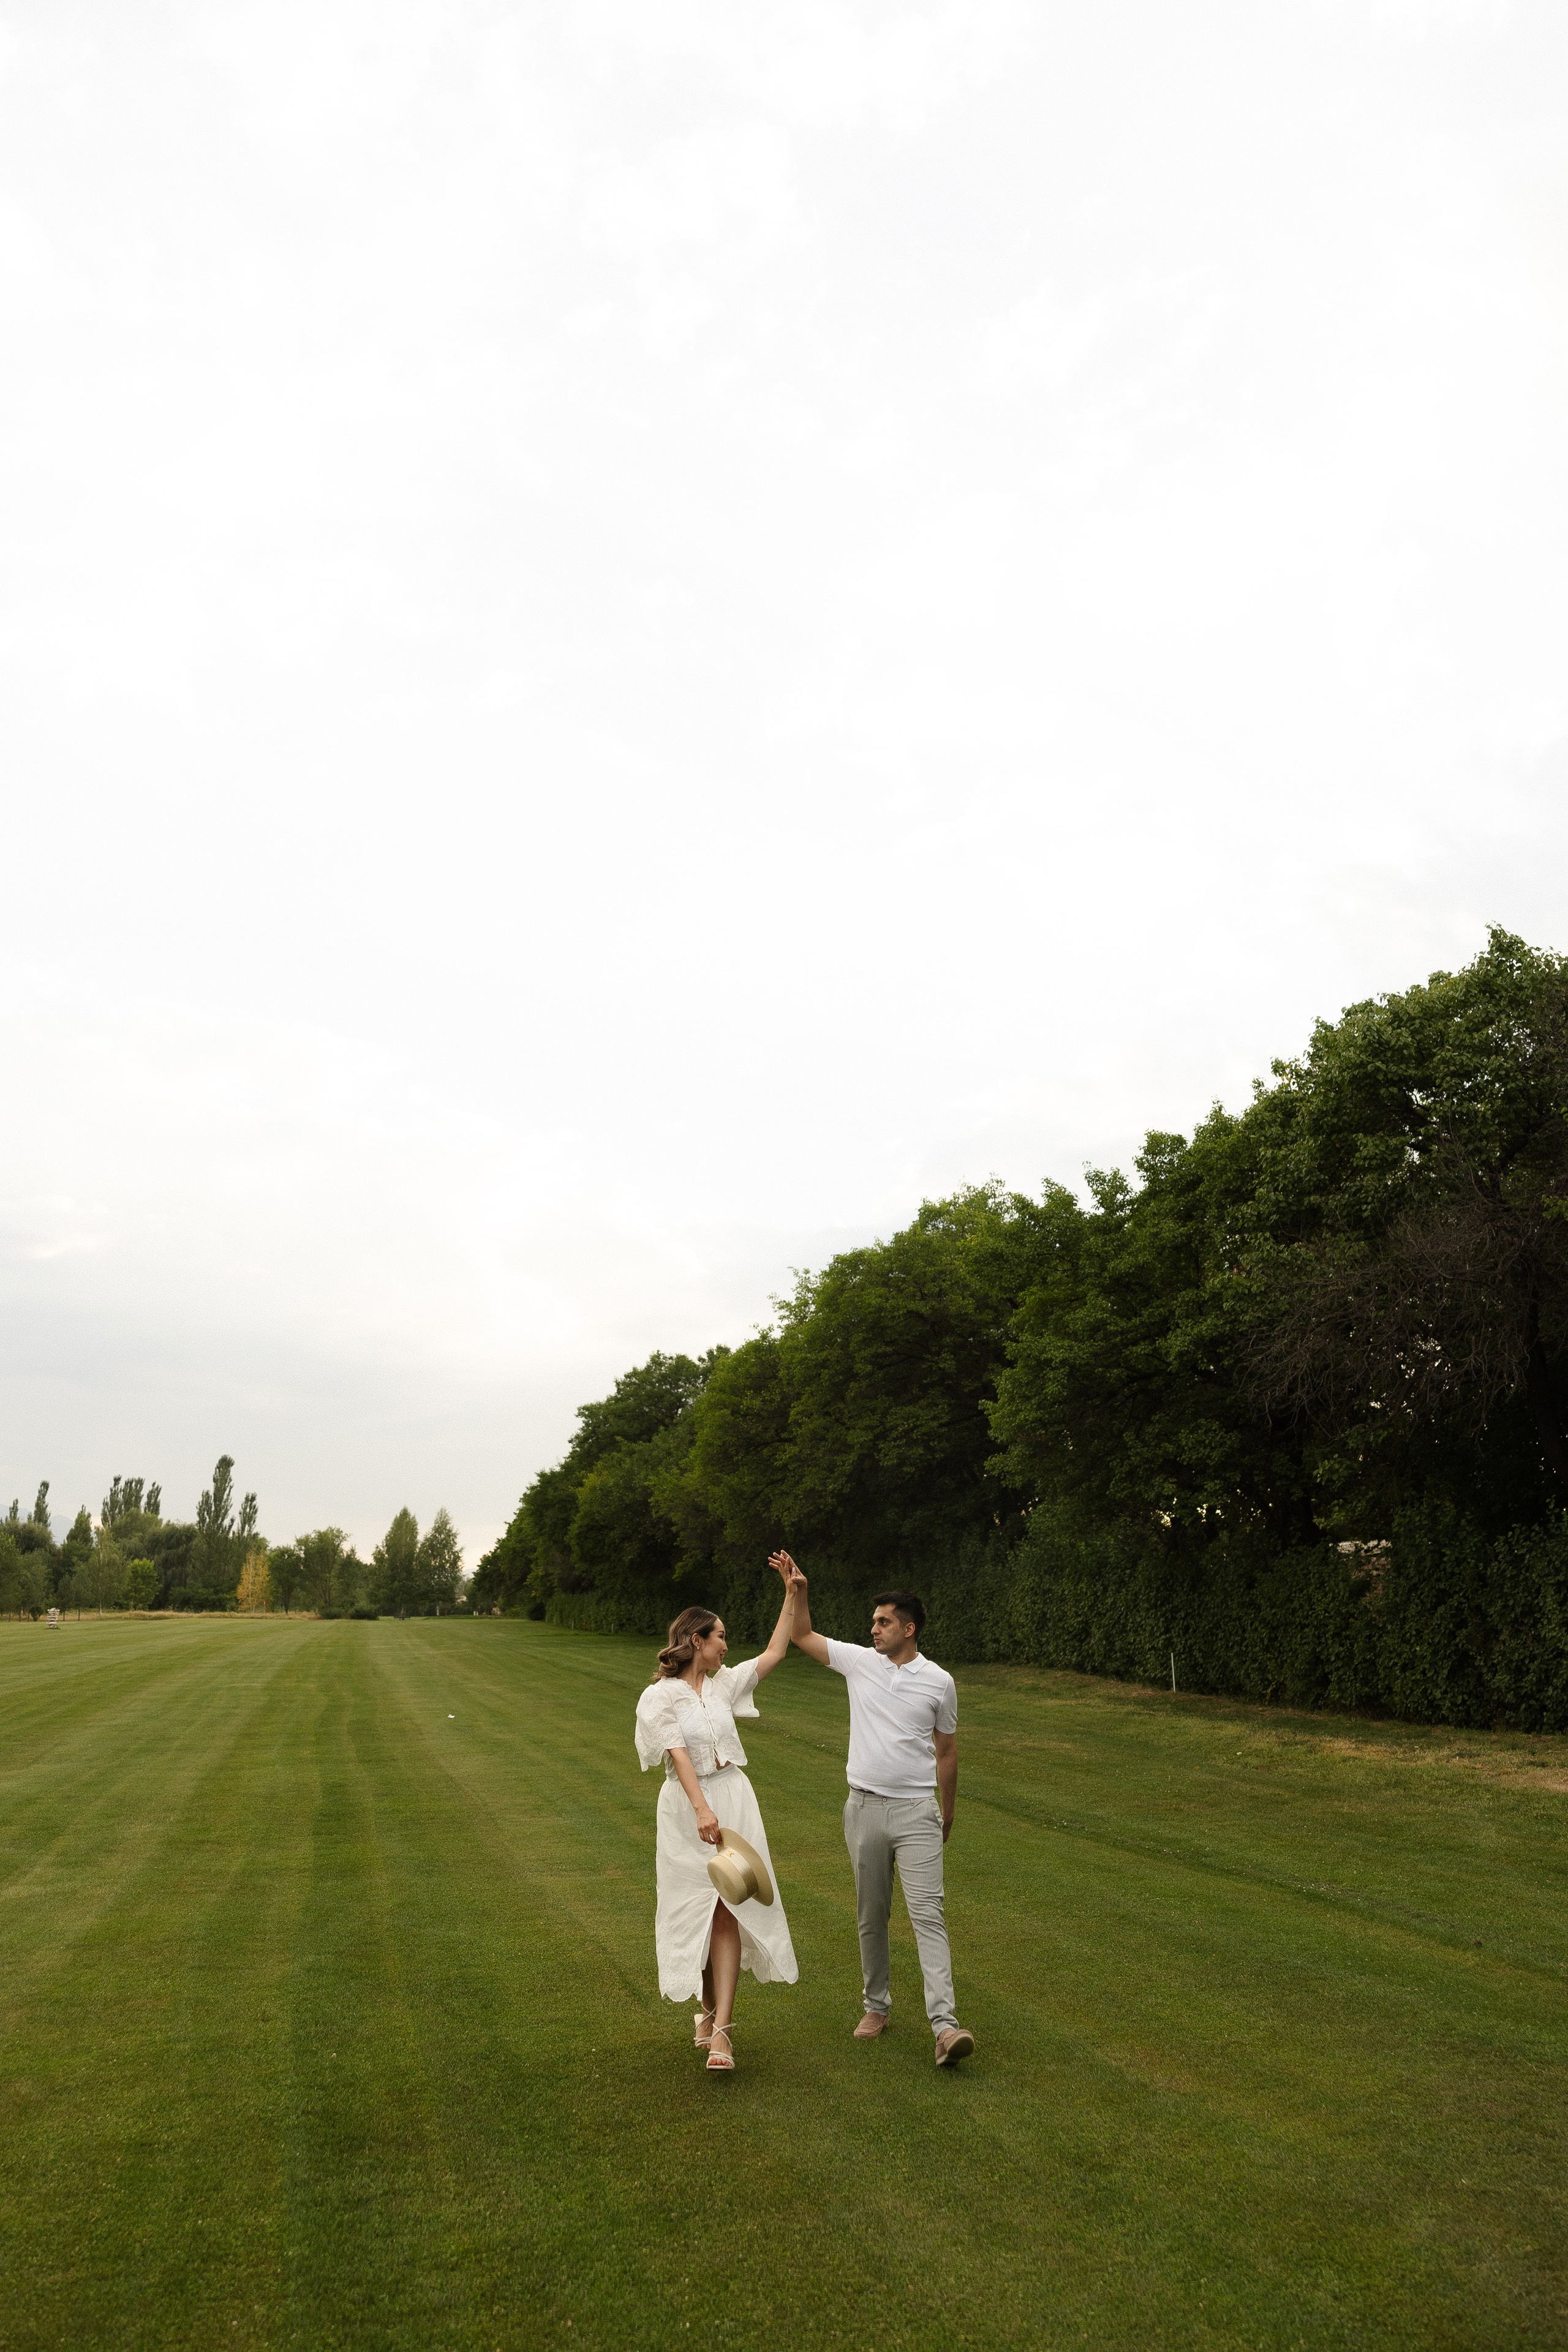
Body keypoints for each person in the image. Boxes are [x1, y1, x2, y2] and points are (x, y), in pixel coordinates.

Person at [772, 1555, 974, 2066]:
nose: (874, 1629)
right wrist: (797, 1590)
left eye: (884, 1622)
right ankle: (876, 2007)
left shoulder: (940, 1682)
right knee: (872, 1914)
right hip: (862, 1809)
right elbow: (803, 1636)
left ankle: (946, 2028)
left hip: (917, 1813)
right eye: (874, 1622)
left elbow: (946, 1751)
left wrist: (946, 1813)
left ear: (909, 1629)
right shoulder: (860, 1661)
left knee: (929, 1915)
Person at [633, 1582, 799, 2073]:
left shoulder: (726, 1683)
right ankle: (705, 2009)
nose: (727, 1645)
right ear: (695, 1641)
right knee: (702, 1913)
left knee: (731, 1906)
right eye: (720, 1636)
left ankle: (722, 2028)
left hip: (734, 1799)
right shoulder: (658, 1697)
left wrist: (792, 1593)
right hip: (687, 1810)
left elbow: (775, 1652)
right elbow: (678, 1754)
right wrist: (703, 1810)